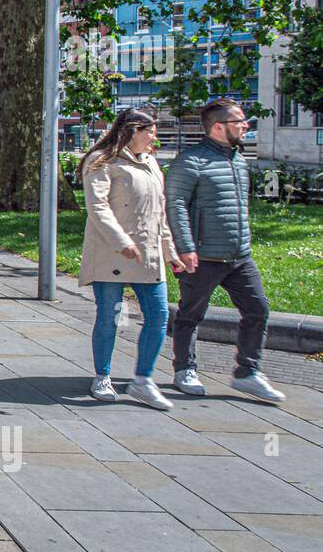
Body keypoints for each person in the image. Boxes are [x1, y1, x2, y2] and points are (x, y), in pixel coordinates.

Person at [165, 98, 284, 403]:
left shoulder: (239, 160)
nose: (246, 126)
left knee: (258, 309)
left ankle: (248, 373)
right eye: (240, 122)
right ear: (218, 127)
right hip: (203, 256)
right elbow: (175, 205)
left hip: (239, 256)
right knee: (191, 314)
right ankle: (184, 370)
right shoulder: (191, 161)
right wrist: (186, 247)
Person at [79, 108, 187, 409]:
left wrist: (170, 252)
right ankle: (102, 375)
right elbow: (97, 207)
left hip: (148, 254)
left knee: (159, 316)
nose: (155, 137)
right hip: (110, 252)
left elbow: (159, 214)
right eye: (151, 131)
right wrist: (122, 241)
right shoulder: (101, 160)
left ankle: (143, 380)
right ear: (133, 130)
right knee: (110, 316)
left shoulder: (151, 164)